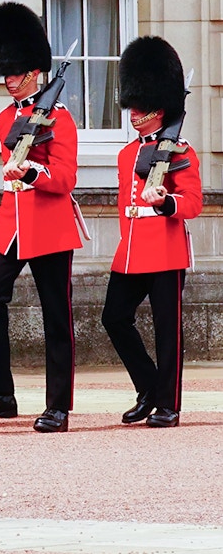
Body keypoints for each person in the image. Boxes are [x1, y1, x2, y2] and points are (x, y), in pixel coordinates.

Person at [0, 2, 82, 433]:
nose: (9, 80)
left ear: (34, 71)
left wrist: (34, 169)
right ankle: (1, 392)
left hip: (49, 221)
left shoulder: (62, 120)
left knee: (57, 314)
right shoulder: (4, 119)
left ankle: (58, 405)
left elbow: (66, 177)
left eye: (15, 73)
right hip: (12, 220)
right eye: (6, 73)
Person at [102, 36, 201, 428]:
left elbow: (192, 202)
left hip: (165, 248)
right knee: (113, 317)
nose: (133, 113)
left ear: (158, 110)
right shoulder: (127, 154)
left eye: (140, 107)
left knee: (167, 330)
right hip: (131, 250)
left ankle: (169, 404)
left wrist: (165, 202)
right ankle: (148, 387)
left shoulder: (181, 152)